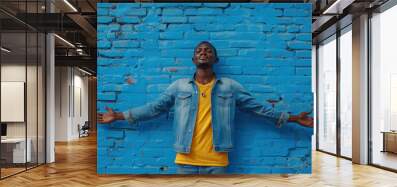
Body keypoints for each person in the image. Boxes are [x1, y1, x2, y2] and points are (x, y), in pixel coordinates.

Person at [98, 41, 313, 175]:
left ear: (215, 58)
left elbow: (259, 109)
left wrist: (293, 118)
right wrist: (118, 115)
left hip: (217, 161)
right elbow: (154, 108)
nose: (203, 52)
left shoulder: (230, 86)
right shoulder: (179, 86)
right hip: (185, 159)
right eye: (199, 50)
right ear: (193, 58)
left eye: (208, 51)